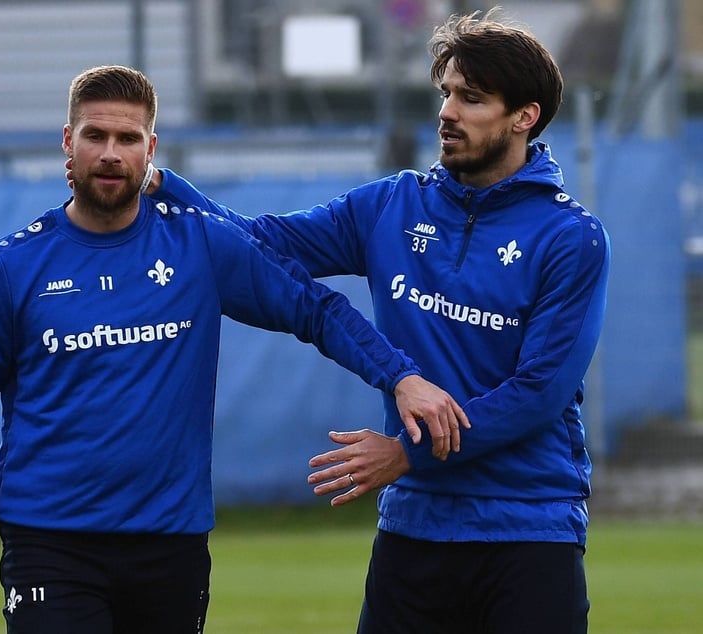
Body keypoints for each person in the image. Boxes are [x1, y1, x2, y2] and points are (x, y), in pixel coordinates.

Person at [0, 64, 468, 633]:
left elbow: (315, 309)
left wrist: (400, 378)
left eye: (127, 139)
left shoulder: (199, 242)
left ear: (150, 150)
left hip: (170, 544)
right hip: (50, 543)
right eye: (94, 136)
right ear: (67, 143)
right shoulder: (13, 267)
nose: (110, 153)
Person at [127, 10, 610, 634]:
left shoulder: (571, 238)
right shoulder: (392, 205)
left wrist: (407, 455)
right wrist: (163, 185)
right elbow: (262, 246)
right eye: (446, 93)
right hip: (416, 526)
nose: (448, 111)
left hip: (527, 530)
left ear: (525, 116)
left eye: (472, 98)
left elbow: (538, 393)